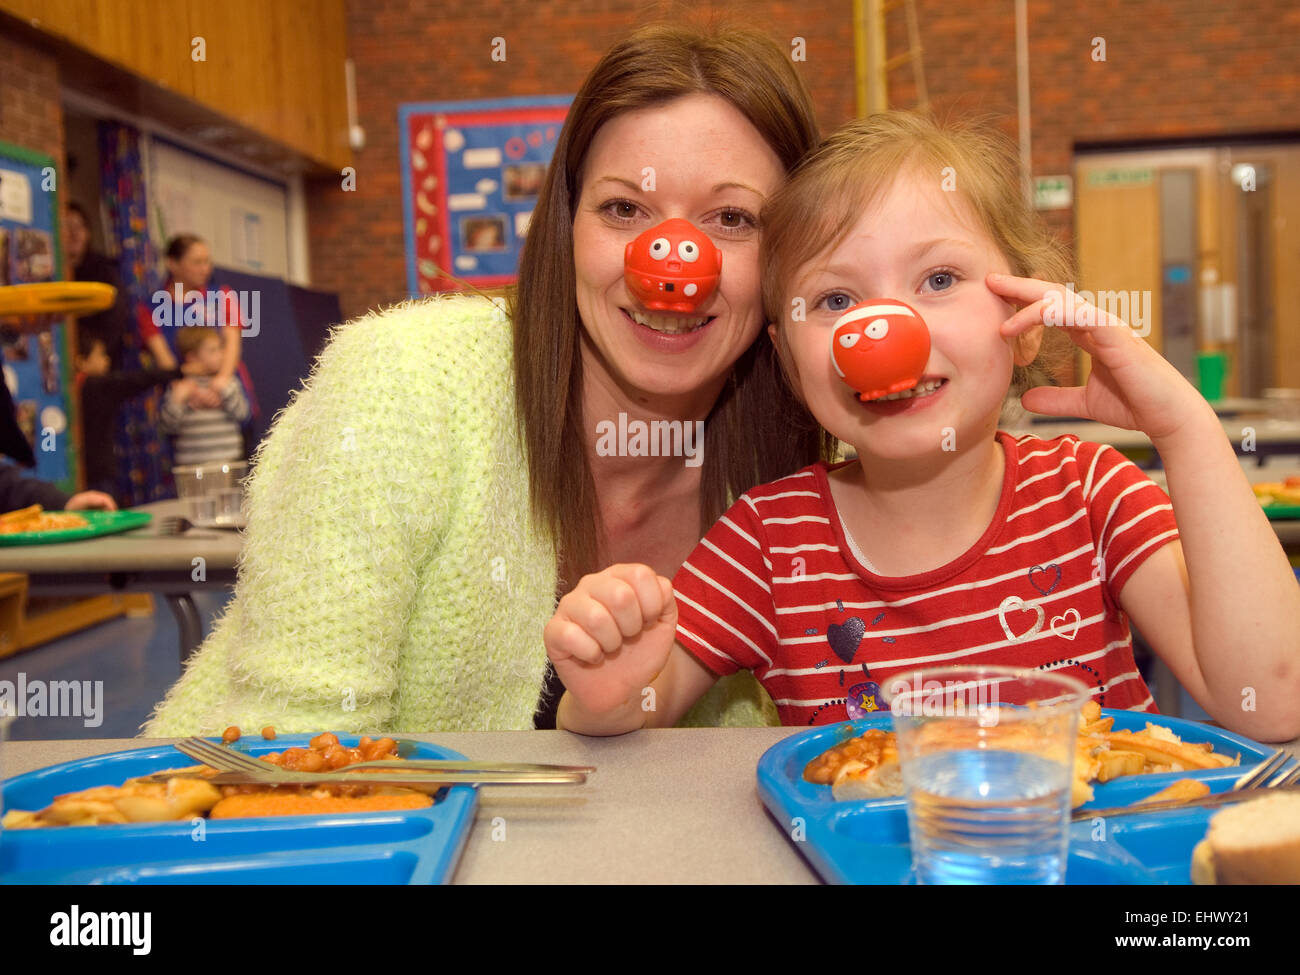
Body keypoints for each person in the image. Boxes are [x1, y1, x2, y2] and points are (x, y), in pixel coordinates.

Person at [142, 23, 829, 736]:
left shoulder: (810, 456)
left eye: (733, 218)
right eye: (625, 208)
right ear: (566, 226)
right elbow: (293, 757)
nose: (673, 265)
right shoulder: (405, 385)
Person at [548, 112, 1300, 743]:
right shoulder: (769, 543)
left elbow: (1270, 699)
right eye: (837, 299)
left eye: (938, 280)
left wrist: (1185, 426)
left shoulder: (1090, 494)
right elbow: (632, 711)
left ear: (1023, 317)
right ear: (787, 359)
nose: (885, 328)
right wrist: (610, 692)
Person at [135, 234, 257, 422]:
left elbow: (232, 345)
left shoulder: (223, 296)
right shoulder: (151, 308)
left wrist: (221, 383)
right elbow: (164, 359)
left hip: (228, 394)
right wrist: (190, 391)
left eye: (207, 262)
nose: (205, 269)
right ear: (172, 264)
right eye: (196, 262)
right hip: (184, 399)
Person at [73, 331, 181, 496]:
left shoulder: (78, 388)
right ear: (82, 362)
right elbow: (135, 380)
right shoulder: (95, 386)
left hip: (90, 469)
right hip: (99, 472)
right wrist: (178, 372)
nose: (106, 360)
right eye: (100, 355)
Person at [158, 327, 250, 466]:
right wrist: (177, 400)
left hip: (229, 461)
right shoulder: (180, 387)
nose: (221, 354)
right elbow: (167, 427)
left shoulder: (230, 383)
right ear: (192, 357)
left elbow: (243, 416)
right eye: (213, 350)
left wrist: (225, 391)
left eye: (221, 348)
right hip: (192, 466)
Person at [63, 201, 129, 369]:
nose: (74, 234)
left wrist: (97, 351)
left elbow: (116, 314)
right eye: (68, 226)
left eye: (80, 227)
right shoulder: (52, 272)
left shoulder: (102, 270)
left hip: (97, 358)